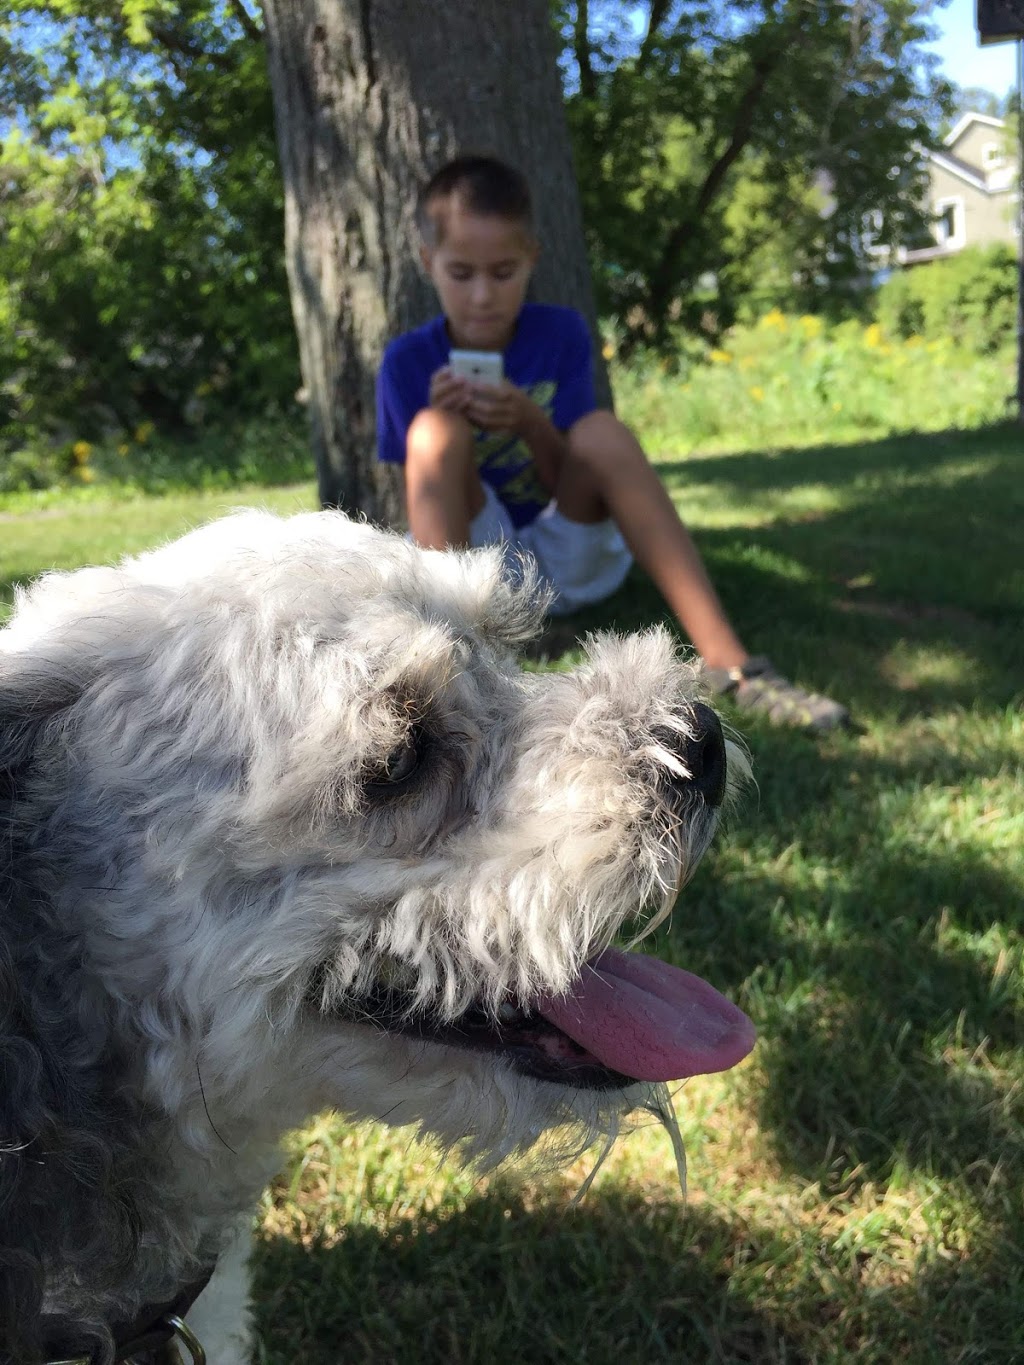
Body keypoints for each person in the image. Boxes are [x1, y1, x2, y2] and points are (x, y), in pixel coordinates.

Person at [375, 155, 848, 733]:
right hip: (475, 565)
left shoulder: (561, 334)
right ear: (429, 264)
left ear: (532, 261)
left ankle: (733, 665)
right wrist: (449, 435)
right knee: (433, 431)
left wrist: (529, 422)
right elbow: (419, 502)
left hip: (567, 554)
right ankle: (453, 671)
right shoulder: (406, 362)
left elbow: (570, 477)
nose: (481, 296)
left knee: (601, 431)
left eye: (503, 273)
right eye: (461, 274)